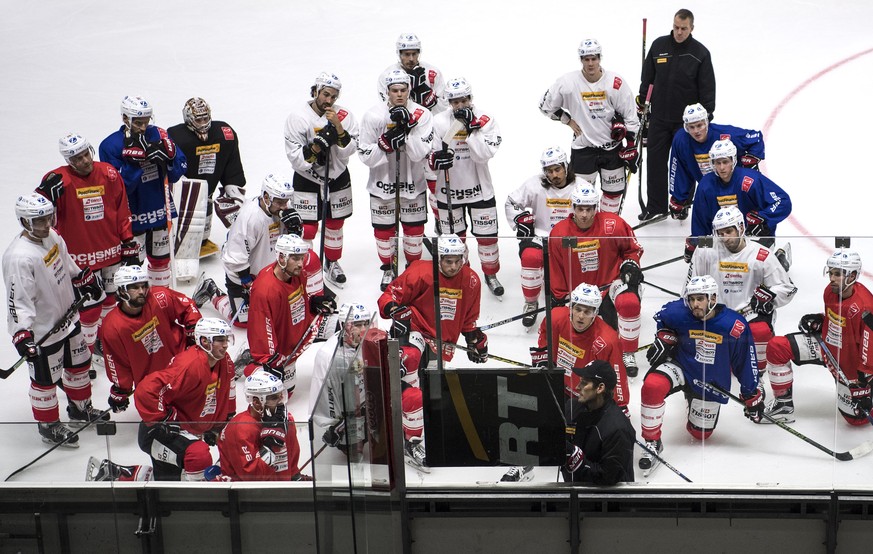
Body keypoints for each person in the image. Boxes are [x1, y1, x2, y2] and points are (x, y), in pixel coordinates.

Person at [3, 194, 108, 447]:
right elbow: (18, 300)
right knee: (45, 381)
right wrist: (22, 334)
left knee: (80, 365)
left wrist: (82, 278)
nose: (46, 224)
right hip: (44, 332)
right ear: (25, 222)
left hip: (68, 318)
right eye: (38, 221)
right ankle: (48, 425)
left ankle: (80, 408)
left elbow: (66, 261)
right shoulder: (19, 257)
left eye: (48, 218)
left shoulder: (51, 235)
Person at [639, 275, 762, 473]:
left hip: (709, 380)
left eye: (700, 299)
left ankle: (692, 398)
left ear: (713, 298)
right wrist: (665, 336)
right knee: (652, 385)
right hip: (681, 367)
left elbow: (745, 362)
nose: (694, 304)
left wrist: (751, 394)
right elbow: (661, 318)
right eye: (691, 298)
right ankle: (652, 442)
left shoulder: (734, 326)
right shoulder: (677, 312)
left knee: (700, 435)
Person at [37, 133, 137, 360]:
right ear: (68, 160)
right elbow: (38, 215)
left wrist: (128, 241)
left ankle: (106, 343)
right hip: (78, 261)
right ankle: (85, 356)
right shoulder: (57, 179)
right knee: (89, 311)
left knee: (113, 303)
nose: (84, 161)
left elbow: (122, 210)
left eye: (86, 154)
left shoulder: (109, 173)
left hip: (111, 253)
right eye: (77, 159)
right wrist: (44, 196)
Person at [764, 249, 873, 426]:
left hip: (850, 366)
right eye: (831, 272)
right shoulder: (830, 292)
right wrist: (821, 320)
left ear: (852, 276)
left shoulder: (865, 307)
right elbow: (838, 320)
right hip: (826, 348)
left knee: (857, 420)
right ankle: (783, 407)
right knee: (777, 347)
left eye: (838, 274)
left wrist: (863, 383)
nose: (831, 278)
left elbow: (869, 347)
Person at [548, 182, 644, 376]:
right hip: (578, 294)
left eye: (589, 209)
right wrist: (559, 297)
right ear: (573, 208)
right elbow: (556, 269)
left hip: (610, 285)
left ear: (596, 208)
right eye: (580, 209)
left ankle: (628, 351)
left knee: (629, 302)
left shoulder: (613, 224)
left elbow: (632, 249)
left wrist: (630, 264)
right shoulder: (558, 233)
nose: (584, 214)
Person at [688, 206, 797, 377]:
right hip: (717, 313)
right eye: (720, 232)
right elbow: (690, 285)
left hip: (749, 313)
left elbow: (787, 288)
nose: (724, 237)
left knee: (760, 331)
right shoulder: (705, 249)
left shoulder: (761, 254)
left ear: (741, 227)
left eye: (729, 231)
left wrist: (770, 297)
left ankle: (757, 375)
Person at [310, 303, 425, 464]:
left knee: (414, 397)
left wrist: (396, 361)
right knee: (352, 451)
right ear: (344, 326)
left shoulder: (374, 338)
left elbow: (408, 349)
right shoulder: (330, 357)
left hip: (375, 395)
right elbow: (326, 395)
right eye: (357, 325)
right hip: (352, 411)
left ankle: (411, 443)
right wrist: (336, 425)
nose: (364, 329)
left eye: (366, 323)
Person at [203, 173, 323, 326]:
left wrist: (296, 231)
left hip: (274, 273)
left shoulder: (284, 207)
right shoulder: (250, 218)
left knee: (282, 314)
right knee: (246, 322)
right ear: (266, 197)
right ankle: (212, 292)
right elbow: (236, 256)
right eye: (279, 202)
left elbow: (292, 245)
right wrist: (247, 282)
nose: (284, 206)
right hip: (245, 276)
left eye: (286, 201)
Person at [539, 38, 640, 213]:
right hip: (583, 149)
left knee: (614, 194)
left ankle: (607, 232)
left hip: (612, 149)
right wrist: (567, 119)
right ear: (581, 60)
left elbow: (631, 116)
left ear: (600, 58)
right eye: (586, 59)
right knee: (582, 198)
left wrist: (630, 145)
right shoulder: (568, 82)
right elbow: (545, 106)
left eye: (594, 58)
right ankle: (588, 235)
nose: (591, 63)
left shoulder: (615, 82)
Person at [98, 95, 188, 286]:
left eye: (146, 122)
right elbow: (118, 188)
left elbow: (178, 169)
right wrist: (135, 164)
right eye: (138, 123)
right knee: (133, 266)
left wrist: (170, 161)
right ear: (125, 119)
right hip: (132, 217)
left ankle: (161, 300)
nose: (143, 127)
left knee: (162, 261)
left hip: (160, 209)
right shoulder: (110, 145)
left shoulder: (159, 134)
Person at [133, 317, 236, 481]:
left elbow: (225, 392)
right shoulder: (189, 365)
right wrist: (164, 420)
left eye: (226, 339)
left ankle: (117, 473)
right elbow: (146, 390)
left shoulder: (225, 361)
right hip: (158, 432)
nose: (225, 345)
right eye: (219, 340)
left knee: (167, 482)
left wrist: (218, 425)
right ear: (204, 341)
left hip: (186, 432)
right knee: (198, 456)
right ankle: (197, 498)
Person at [359, 69, 434, 290]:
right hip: (382, 185)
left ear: (409, 90)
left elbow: (421, 153)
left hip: (414, 185)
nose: (399, 94)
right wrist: (385, 143)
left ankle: (412, 268)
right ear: (387, 92)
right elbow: (365, 156)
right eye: (394, 90)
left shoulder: (422, 114)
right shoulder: (373, 115)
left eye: (403, 90)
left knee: (413, 231)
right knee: (384, 232)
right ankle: (389, 268)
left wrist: (407, 133)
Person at [638, 9, 716, 221]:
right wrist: (642, 106)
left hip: (686, 124)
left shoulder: (700, 53)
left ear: (692, 28)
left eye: (683, 28)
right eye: (676, 27)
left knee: (684, 164)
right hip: (659, 118)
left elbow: (708, 90)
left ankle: (681, 205)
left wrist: (705, 118)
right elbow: (647, 80)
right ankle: (656, 207)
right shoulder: (658, 46)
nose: (679, 32)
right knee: (655, 162)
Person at [429, 77, 504, 298]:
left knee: (487, 238)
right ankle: (464, 274)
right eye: (455, 101)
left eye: (464, 100)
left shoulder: (485, 119)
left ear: (471, 98)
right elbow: (428, 156)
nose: (460, 106)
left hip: (479, 189)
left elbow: (483, 155)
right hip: (448, 191)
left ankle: (490, 274)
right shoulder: (438, 122)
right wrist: (435, 159)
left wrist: (473, 131)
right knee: (454, 241)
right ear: (449, 102)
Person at [284, 72, 359, 287]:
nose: (329, 100)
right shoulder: (297, 117)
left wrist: (338, 128)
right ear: (315, 90)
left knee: (335, 223)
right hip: (307, 179)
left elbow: (351, 149)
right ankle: (305, 265)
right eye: (325, 94)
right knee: (306, 228)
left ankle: (332, 263)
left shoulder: (343, 115)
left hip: (336, 176)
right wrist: (317, 145)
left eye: (333, 97)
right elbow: (296, 159)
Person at [98, 265, 202, 413]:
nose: (141, 291)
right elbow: (117, 363)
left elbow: (187, 306)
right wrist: (121, 391)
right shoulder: (112, 327)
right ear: (121, 290)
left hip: (182, 361)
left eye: (144, 286)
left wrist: (194, 327)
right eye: (134, 287)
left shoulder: (160, 297)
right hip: (154, 382)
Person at [243, 234, 336, 396]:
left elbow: (297, 298)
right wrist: (270, 360)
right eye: (295, 258)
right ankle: (251, 364)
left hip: (304, 327)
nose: (300, 264)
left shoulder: (296, 272)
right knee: (284, 393)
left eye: (302, 258)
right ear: (281, 257)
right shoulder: (265, 290)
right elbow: (261, 329)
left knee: (344, 326)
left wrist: (313, 302)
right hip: (283, 349)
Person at [504, 146, 577, 328]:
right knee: (530, 257)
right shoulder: (534, 184)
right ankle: (531, 302)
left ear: (566, 167)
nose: (554, 175)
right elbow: (511, 202)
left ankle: (574, 300)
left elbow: (591, 213)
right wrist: (519, 219)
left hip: (569, 238)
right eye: (549, 171)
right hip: (541, 236)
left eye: (558, 169)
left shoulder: (581, 187)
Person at [167, 97, 247, 256]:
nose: (203, 123)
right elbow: (171, 167)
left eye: (205, 118)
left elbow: (231, 163)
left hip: (208, 189)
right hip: (185, 192)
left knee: (204, 231)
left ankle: (204, 240)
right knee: (186, 228)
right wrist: (181, 187)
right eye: (199, 119)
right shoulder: (176, 137)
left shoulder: (225, 134)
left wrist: (234, 192)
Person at [532, 283, 630, 413]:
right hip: (558, 385)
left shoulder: (608, 341)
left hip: (587, 397)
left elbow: (616, 374)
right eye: (578, 309)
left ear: (595, 313)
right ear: (571, 308)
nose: (581, 316)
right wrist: (543, 356)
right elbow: (544, 332)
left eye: (587, 311)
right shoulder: (555, 318)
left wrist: (620, 406)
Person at [687, 139, 792, 260]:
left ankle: (780, 260)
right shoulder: (706, 186)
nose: (721, 168)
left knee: (753, 269)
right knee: (715, 267)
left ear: (733, 160)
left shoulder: (750, 180)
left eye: (725, 162)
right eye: (718, 163)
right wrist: (697, 244)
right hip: (725, 239)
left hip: (754, 237)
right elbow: (700, 222)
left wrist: (763, 219)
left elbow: (782, 201)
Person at [667, 103, 764, 219]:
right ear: (686, 127)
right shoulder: (681, 140)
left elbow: (755, 137)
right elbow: (679, 169)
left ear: (707, 123)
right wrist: (678, 198)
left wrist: (751, 161)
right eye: (691, 127)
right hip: (709, 189)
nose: (696, 131)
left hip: (735, 186)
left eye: (699, 125)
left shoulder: (724, 134)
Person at [218, 370, 308, 481]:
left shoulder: (286, 420)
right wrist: (271, 447)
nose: (280, 402)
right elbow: (251, 476)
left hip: (281, 491)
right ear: (257, 402)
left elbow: (291, 463)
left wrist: (294, 477)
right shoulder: (241, 428)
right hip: (250, 495)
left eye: (281, 396)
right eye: (274, 398)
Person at [563, 360, 636, 484]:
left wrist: (579, 462)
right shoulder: (572, 407)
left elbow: (610, 477)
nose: (577, 387)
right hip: (573, 491)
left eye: (584, 383)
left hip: (606, 500)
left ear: (600, 388)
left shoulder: (618, 428)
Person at [376, 33, 446, 113]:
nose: (411, 59)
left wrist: (429, 98)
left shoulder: (433, 73)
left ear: (419, 53)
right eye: (407, 54)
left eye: (414, 54)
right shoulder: (386, 76)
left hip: (430, 121)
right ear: (400, 54)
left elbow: (445, 106)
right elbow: (385, 106)